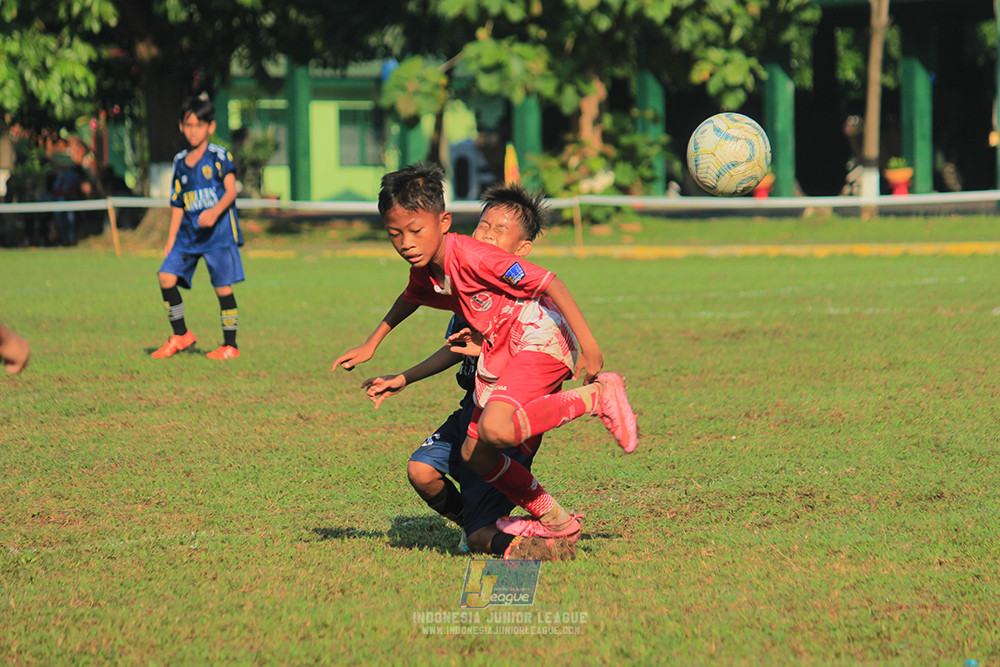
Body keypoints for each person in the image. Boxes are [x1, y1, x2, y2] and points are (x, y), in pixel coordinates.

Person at [334, 164, 638, 559]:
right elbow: (411, 296)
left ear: (443, 222)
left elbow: (549, 282)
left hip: (538, 335)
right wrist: (374, 344)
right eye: (395, 234)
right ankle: (556, 521)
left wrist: (590, 345)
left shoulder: (477, 256)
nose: (406, 242)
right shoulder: (430, 269)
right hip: (504, 353)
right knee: (473, 454)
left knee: (495, 429)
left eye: (415, 231)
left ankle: (597, 397)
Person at [360, 183, 568, 560]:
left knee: (479, 536)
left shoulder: (513, 296)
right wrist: (404, 377)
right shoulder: (464, 280)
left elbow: (529, 346)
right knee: (421, 471)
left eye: (498, 231)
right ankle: (472, 522)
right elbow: (453, 346)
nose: (486, 235)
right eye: (483, 227)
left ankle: (536, 540)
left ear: (521, 250)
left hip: (497, 419)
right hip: (469, 407)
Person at [151, 93, 244, 360]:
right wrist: (170, 238)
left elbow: (230, 191)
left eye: (199, 125)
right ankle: (181, 335)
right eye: (189, 125)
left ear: (210, 127)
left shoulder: (219, 156)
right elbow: (178, 202)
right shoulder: (180, 161)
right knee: (165, 277)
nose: (193, 131)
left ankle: (230, 346)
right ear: (181, 126)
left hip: (218, 235)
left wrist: (214, 213)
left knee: (222, 288)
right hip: (188, 236)